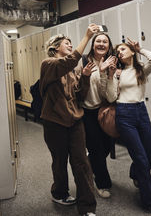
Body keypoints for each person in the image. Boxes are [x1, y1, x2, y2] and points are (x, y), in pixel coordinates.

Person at [39, 24, 100, 216]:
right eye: (67, 43)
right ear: (56, 47)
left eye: (72, 43)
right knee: (59, 161)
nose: (71, 45)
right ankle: (59, 192)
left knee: (82, 163)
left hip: (75, 122)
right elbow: (69, 60)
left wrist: (85, 77)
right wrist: (87, 37)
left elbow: (80, 95)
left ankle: (87, 207)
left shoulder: (74, 70)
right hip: (54, 123)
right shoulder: (48, 64)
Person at [114, 38, 151, 216]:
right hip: (124, 114)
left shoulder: (140, 69)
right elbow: (110, 94)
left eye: (123, 49)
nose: (120, 52)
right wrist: (113, 76)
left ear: (131, 51)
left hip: (141, 112)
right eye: (117, 51)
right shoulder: (117, 72)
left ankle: (135, 173)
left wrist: (139, 48)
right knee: (142, 159)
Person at [77, 32, 118, 199]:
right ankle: (102, 184)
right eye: (98, 41)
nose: (101, 44)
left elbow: (108, 95)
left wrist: (107, 74)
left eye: (105, 42)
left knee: (106, 147)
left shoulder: (112, 63)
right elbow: (79, 88)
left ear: (109, 46)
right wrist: (93, 73)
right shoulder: (84, 62)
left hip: (104, 110)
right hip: (87, 111)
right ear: (93, 45)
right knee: (97, 149)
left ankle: (92, 162)